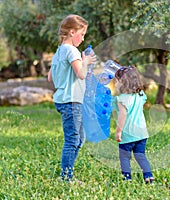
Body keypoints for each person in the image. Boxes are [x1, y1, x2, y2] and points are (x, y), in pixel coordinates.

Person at [47, 14, 95, 183]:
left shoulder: (59, 51)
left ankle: (68, 173)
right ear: (72, 32)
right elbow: (81, 74)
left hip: (65, 99)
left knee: (79, 139)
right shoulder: (71, 50)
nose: (83, 39)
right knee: (72, 140)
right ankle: (66, 178)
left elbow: (50, 78)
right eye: (81, 34)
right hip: (71, 100)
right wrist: (86, 61)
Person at [113, 66, 154, 184]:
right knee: (140, 155)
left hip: (128, 133)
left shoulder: (121, 99)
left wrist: (118, 131)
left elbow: (123, 115)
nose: (115, 83)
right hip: (141, 132)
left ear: (124, 83)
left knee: (125, 157)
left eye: (117, 80)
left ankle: (127, 179)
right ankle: (148, 176)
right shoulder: (140, 94)